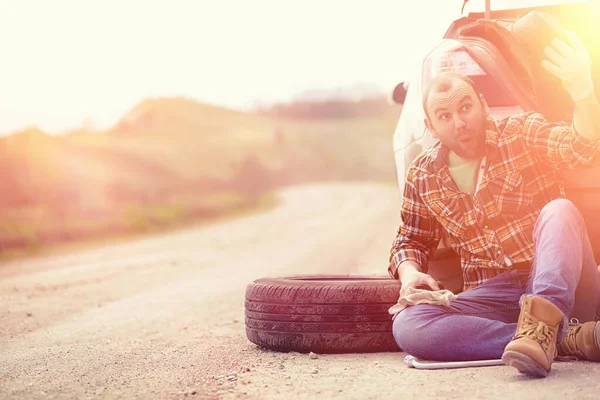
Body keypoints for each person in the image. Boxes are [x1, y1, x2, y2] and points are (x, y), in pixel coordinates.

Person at [388, 29, 600, 378]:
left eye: (466, 107)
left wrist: (583, 91)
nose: (459, 122)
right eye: (444, 116)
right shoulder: (423, 175)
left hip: (557, 280)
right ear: (431, 125)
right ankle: (564, 339)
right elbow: (410, 240)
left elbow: (582, 147)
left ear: (483, 105)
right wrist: (410, 274)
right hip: (494, 297)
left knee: (559, 210)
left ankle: (548, 326)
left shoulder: (520, 132)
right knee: (409, 324)